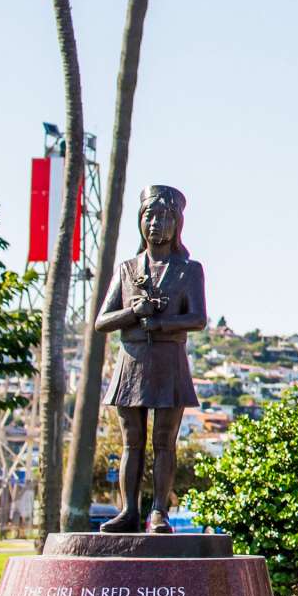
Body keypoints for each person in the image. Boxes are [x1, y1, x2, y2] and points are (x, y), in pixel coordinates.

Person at [93, 184, 208, 533]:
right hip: (132, 362)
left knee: (164, 440)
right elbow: (102, 321)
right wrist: (133, 312)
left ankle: (159, 511)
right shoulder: (127, 269)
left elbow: (198, 318)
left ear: (177, 224)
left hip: (169, 362)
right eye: (149, 216)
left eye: (163, 217)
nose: (155, 223)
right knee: (132, 441)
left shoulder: (189, 270)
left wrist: (160, 322)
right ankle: (129, 511)